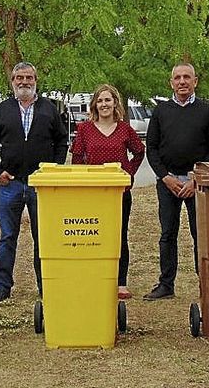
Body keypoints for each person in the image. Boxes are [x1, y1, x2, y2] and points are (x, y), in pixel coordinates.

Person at [0, 62, 68, 302]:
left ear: (36, 80)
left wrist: (54, 170)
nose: (24, 82)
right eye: (19, 78)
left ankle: (45, 285)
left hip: (40, 185)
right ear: (12, 81)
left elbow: (62, 142)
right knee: (7, 236)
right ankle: (2, 286)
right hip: (10, 184)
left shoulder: (49, 109)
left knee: (43, 237)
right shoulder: (3, 110)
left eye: (28, 77)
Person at [144, 63, 209, 300]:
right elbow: (152, 148)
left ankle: (205, 283)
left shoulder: (207, 112)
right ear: (171, 83)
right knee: (168, 234)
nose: (182, 82)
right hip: (167, 183)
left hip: (195, 184)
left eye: (187, 77)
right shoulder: (161, 111)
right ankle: (166, 284)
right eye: (177, 78)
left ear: (195, 81)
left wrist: (195, 179)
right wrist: (165, 177)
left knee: (200, 235)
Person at [70, 84, 145, 300]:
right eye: (100, 100)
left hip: (118, 193)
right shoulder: (84, 129)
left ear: (115, 104)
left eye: (108, 100)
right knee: (92, 235)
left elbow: (139, 152)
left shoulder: (125, 129)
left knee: (119, 236)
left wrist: (128, 173)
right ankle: (94, 277)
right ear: (95, 104)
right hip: (92, 193)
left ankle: (120, 282)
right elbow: (76, 159)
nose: (104, 104)